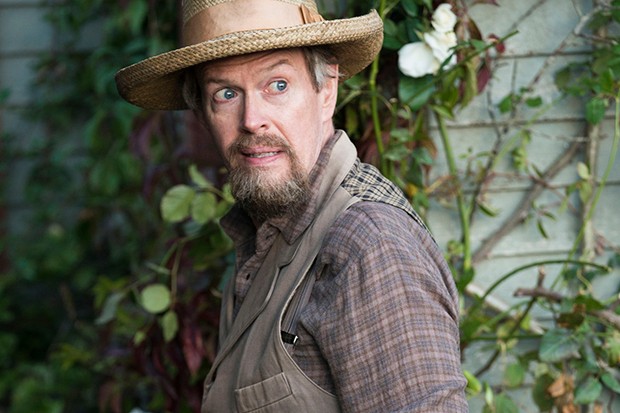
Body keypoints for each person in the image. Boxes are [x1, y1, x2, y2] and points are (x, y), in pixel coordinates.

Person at [115, 1, 468, 411]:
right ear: (203, 114)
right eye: (226, 94)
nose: (252, 120)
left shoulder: (368, 245)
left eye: (278, 85)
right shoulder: (268, 230)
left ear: (326, 90)